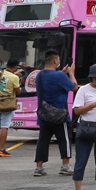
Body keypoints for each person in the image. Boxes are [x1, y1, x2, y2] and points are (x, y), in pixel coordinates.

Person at [34, 49, 78, 177]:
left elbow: (51, 80)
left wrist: (62, 73)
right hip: (60, 114)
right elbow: (74, 87)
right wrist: (71, 73)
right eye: (58, 59)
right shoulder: (60, 76)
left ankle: (39, 168)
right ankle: (65, 166)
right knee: (64, 139)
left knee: (43, 140)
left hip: (44, 114)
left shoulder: (39, 75)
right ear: (55, 61)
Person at [0, 59, 22, 157]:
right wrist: (19, 85)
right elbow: (17, 91)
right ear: (15, 67)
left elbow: (5, 78)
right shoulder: (15, 78)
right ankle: (2, 149)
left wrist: (14, 74)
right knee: (5, 126)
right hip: (7, 104)